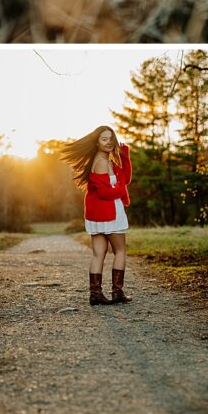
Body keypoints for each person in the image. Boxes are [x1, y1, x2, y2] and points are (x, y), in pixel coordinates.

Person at [60, 125, 134, 305]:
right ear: (96, 142)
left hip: (98, 213)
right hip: (109, 212)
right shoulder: (102, 162)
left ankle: (95, 294)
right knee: (120, 250)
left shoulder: (105, 159)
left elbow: (126, 178)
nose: (109, 142)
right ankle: (117, 292)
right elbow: (106, 193)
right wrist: (119, 188)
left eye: (111, 138)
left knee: (98, 254)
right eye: (104, 139)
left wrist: (125, 156)